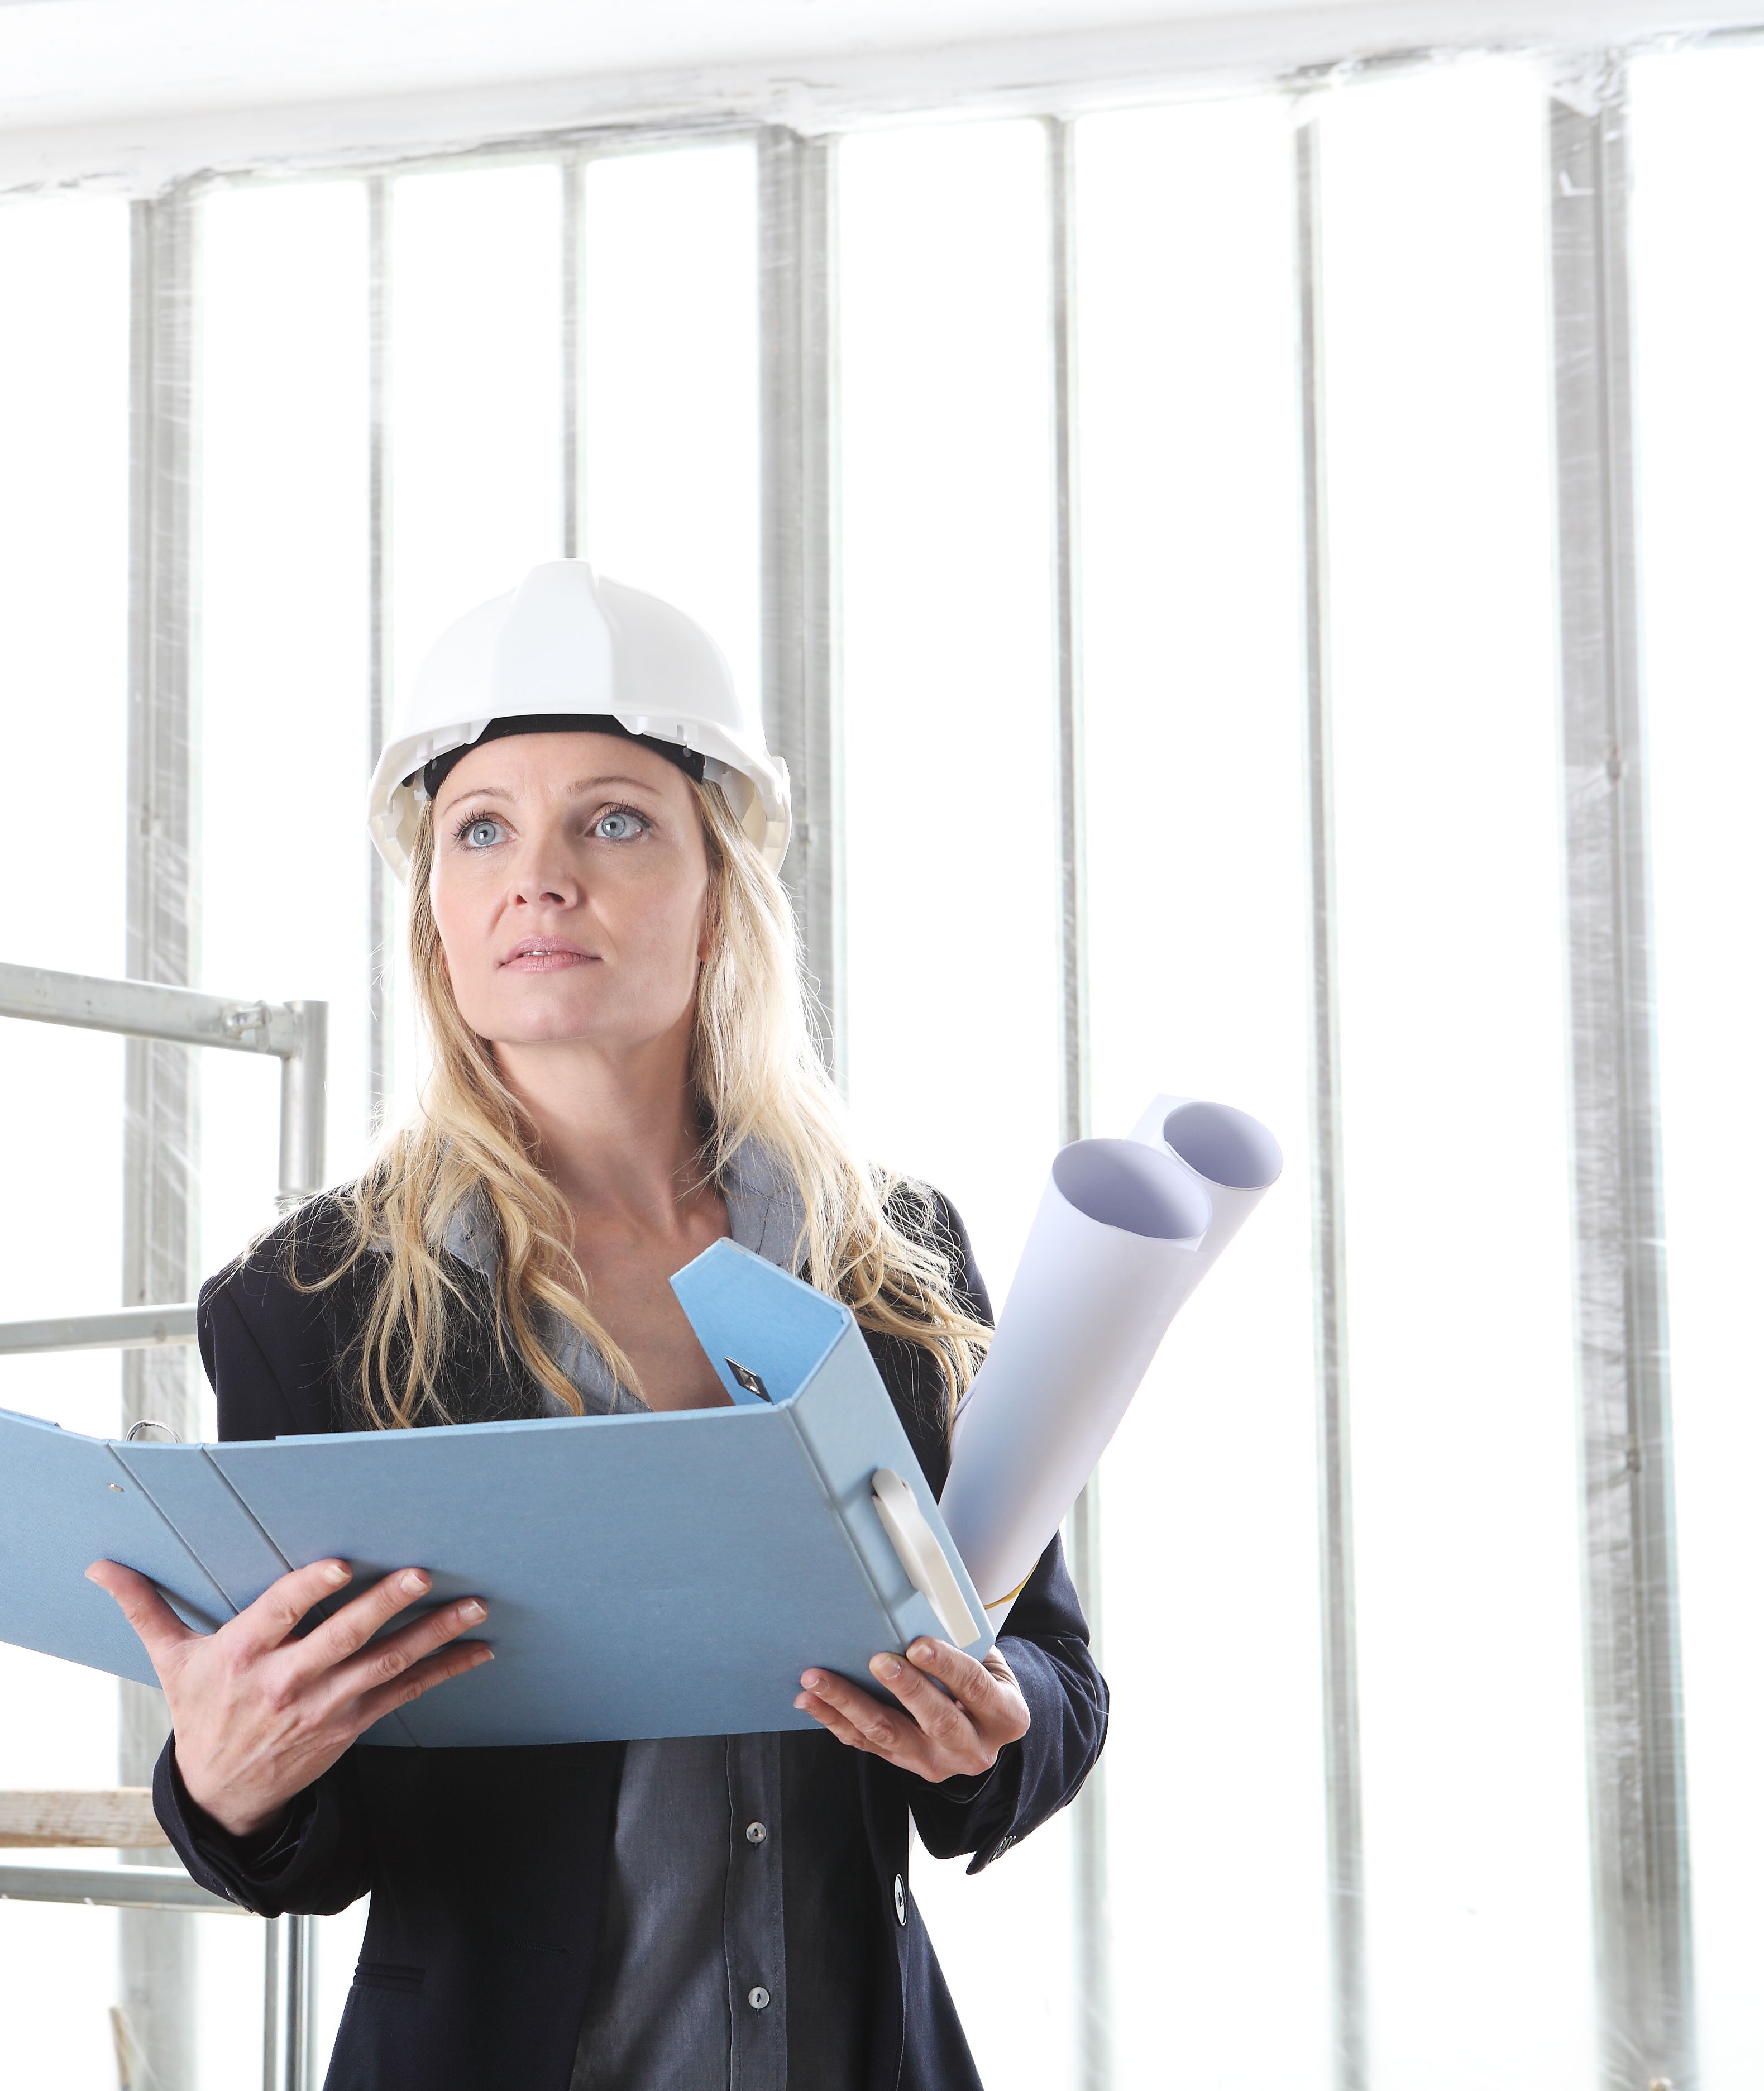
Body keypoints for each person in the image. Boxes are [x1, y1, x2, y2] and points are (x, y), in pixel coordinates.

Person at [85, 561, 1107, 2090]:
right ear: (436, 913)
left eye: (614, 820)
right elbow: (319, 1831)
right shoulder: (312, 1304)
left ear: (716, 894)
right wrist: (228, 1785)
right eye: (480, 828)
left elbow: (1052, 1672)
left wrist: (994, 1723)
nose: (537, 878)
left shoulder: (890, 1258)